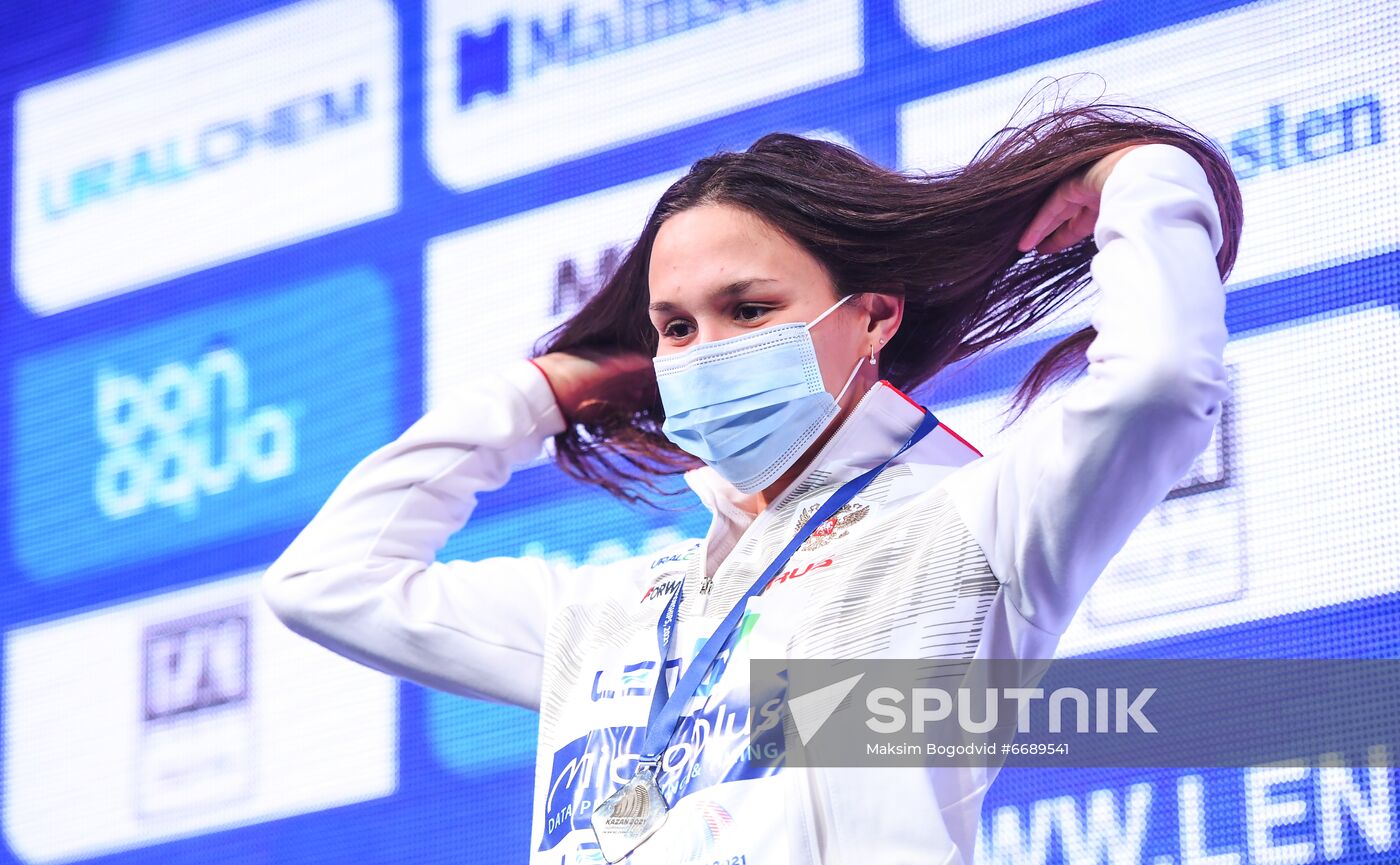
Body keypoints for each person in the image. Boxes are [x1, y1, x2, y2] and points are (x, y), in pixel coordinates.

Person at [262, 100, 1241, 864]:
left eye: (748, 308)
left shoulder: (961, 535)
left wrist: (1143, 173)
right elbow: (325, 584)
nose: (704, 350)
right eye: (676, 328)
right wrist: (541, 391)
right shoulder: (612, 610)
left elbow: (1160, 379)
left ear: (871, 319)